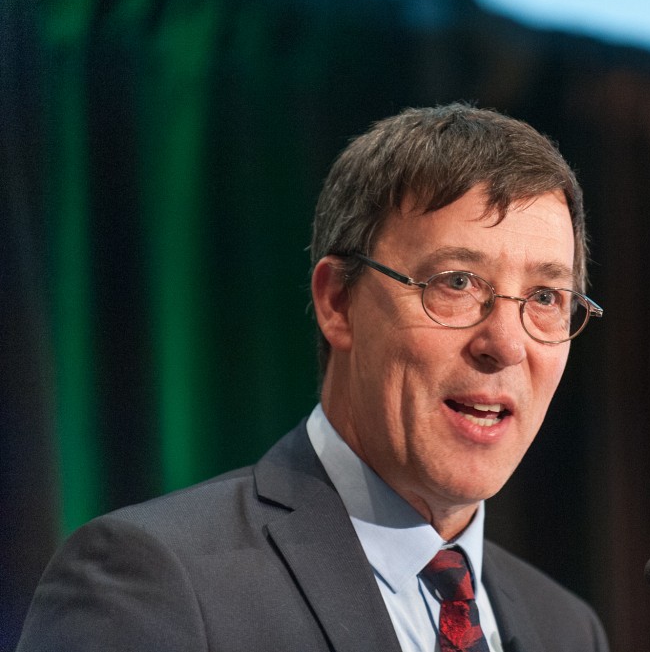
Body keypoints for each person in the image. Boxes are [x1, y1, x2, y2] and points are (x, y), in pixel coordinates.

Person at [17, 103, 608, 652]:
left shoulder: (568, 629)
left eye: (545, 297)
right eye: (456, 283)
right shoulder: (151, 582)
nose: (505, 345)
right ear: (338, 302)